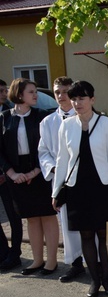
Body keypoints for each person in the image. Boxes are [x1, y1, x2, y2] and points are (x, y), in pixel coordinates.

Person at [53, 81, 108, 297]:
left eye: (81, 98)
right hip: (77, 188)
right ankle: (94, 281)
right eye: (74, 98)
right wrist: (56, 191)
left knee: (104, 236)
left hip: (103, 187)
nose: (77, 103)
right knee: (86, 235)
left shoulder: (106, 123)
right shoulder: (66, 125)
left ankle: (107, 280)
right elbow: (62, 160)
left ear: (92, 100)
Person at [0, 78, 59, 275]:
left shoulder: (42, 116)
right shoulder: (4, 117)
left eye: (35, 91)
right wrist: (12, 173)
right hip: (16, 176)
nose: (36, 95)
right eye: (31, 92)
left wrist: (35, 171)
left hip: (40, 171)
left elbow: (49, 148)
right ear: (18, 94)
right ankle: (37, 260)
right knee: (31, 218)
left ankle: (52, 262)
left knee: (48, 216)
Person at [38, 77, 86, 282]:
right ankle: (76, 264)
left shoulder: (86, 116)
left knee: (90, 221)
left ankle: (98, 262)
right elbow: (43, 152)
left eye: (65, 91)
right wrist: (55, 168)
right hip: (62, 181)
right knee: (68, 223)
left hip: (85, 178)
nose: (61, 96)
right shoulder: (48, 122)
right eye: (57, 92)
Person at [0, 79, 25, 272]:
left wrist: (4, 172)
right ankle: (3, 251)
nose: (3, 94)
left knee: (13, 215)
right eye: (0, 91)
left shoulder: (8, 114)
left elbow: (6, 149)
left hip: (5, 175)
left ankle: (15, 253)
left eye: (4, 90)